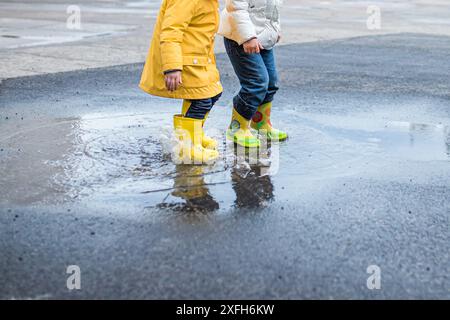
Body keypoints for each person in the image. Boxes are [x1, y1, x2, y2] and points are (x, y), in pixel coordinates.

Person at [140, 0, 223, 163]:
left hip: (199, 60)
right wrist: (172, 67)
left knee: (213, 94)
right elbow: (171, 32)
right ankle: (187, 146)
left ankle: (194, 136)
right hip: (184, 62)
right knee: (201, 101)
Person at [218, 0, 288, 148]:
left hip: (263, 37)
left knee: (271, 83)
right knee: (256, 82)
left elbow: (272, 9)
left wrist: (275, 30)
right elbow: (236, 9)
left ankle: (261, 125)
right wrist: (248, 37)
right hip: (241, 38)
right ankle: (237, 129)